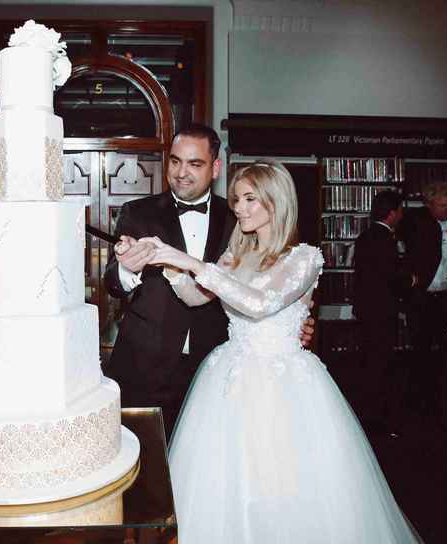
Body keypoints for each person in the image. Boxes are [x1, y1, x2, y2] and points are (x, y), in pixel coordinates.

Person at [141, 162, 421, 542]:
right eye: (237, 198)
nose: (238, 207)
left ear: (275, 202)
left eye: (249, 199)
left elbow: (259, 303)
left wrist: (189, 262)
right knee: (227, 483)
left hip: (283, 385)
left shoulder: (304, 258)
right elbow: (194, 297)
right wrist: (166, 264)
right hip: (230, 379)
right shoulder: (234, 255)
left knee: (282, 483)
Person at [103, 123, 313, 435]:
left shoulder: (240, 221)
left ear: (215, 168)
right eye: (175, 161)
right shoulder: (137, 212)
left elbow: (271, 284)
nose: (181, 172)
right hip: (145, 367)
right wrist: (130, 269)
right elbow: (113, 282)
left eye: (194, 163)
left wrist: (295, 320)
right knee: (142, 465)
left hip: (216, 369)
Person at [353, 190, 414, 437]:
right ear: (392, 213)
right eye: (400, 210)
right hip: (382, 310)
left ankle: (367, 412)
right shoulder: (386, 239)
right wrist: (410, 279)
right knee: (381, 363)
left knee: (369, 360)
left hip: (367, 309)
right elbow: (390, 276)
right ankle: (376, 419)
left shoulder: (365, 236)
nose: (401, 215)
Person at [402, 181, 447, 420]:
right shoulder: (417, 220)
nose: (446, 210)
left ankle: (440, 397)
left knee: (444, 348)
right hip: (423, 295)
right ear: (428, 204)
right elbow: (419, 242)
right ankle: (417, 399)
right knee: (420, 348)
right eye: (441, 205)